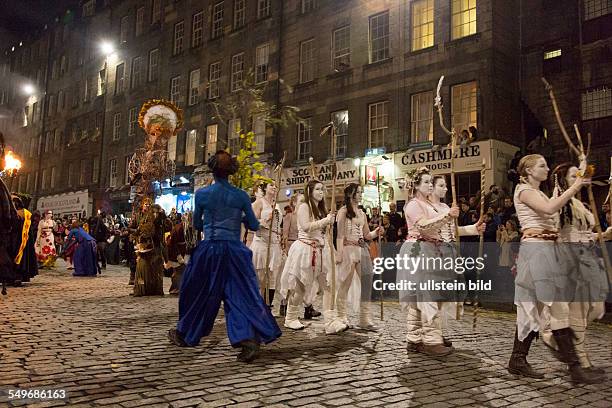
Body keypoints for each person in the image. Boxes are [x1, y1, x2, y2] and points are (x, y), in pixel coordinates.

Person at [168, 151, 281, 363]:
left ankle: (186, 333)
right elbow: (254, 225)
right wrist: (243, 221)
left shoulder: (202, 194)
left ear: (212, 169)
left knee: (198, 292)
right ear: (231, 171)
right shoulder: (240, 196)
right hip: (234, 251)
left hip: (210, 249)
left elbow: (197, 225)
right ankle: (248, 341)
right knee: (239, 295)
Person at [507, 154, 601, 384]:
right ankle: (576, 368)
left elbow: (557, 209)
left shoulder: (539, 192)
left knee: (533, 309)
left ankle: (517, 359)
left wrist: (581, 171)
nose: (547, 168)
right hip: (537, 251)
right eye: (542, 165)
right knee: (557, 308)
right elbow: (550, 209)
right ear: (528, 171)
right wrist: (577, 184)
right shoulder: (523, 190)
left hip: (547, 251)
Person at [398, 168, 483, 357]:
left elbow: (450, 229)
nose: (430, 185)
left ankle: (414, 338)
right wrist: (448, 216)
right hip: (418, 251)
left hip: (432, 250)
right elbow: (425, 227)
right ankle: (430, 340)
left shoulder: (431, 205)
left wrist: (473, 229)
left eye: (431, 182)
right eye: (427, 182)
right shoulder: (413, 205)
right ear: (416, 185)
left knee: (421, 297)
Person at [539, 163, 607, 382]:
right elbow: (553, 231)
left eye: (580, 173)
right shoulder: (561, 202)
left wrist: (603, 235)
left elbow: (587, 234)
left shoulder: (579, 203)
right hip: (570, 263)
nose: (579, 176)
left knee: (596, 308)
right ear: (563, 180)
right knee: (578, 313)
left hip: (588, 261)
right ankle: (581, 362)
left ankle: (555, 338)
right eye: (574, 174)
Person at [279, 180, 348, 334]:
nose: (321, 192)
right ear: (310, 191)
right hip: (305, 251)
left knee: (329, 287)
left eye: (322, 189)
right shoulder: (304, 206)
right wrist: (325, 220)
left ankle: (330, 321)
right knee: (299, 288)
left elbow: (325, 233)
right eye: (317, 189)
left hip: (322, 251)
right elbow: (305, 226)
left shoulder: (322, 209)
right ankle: (290, 318)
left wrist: (332, 247)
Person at [335, 183, 384, 331]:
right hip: (348, 249)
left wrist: (376, 232)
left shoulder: (362, 213)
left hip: (362, 249)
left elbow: (367, 235)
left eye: (361, 192)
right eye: (359, 192)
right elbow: (340, 235)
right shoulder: (343, 212)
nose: (361, 194)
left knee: (367, 283)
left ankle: (364, 318)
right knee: (345, 284)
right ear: (351, 194)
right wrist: (339, 253)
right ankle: (342, 316)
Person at [250, 182, 285, 312]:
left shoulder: (278, 204)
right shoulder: (259, 203)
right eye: (271, 185)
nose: (274, 188)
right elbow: (251, 222)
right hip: (262, 243)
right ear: (264, 188)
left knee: (272, 276)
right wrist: (263, 222)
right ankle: (257, 305)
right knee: (260, 277)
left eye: (276, 186)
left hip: (274, 243)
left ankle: (268, 306)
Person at [133, 202, 169, 297]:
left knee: (154, 270)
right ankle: (144, 289)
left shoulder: (161, 221)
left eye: (156, 212)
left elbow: (166, 229)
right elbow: (139, 231)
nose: (155, 214)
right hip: (146, 248)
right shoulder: (145, 219)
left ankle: (152, 289)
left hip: (154, 248)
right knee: (145, 270)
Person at [11, 196, 38, 285]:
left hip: (20, 239)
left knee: (20, 259)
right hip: (13, 239)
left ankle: (17, 277)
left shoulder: (25, 214)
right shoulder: (12, 212)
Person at [166, 215, 187, 295]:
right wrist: (178, 255)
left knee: (180, 270)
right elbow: (173, 243)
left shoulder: (182, 228)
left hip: (180, 250)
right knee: (178, 271)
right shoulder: (179, 228)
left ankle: (177, 287)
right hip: (176, 251)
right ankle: (175, 288)